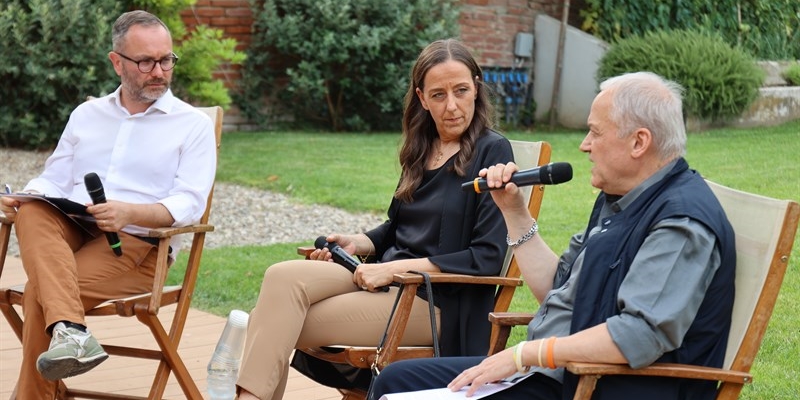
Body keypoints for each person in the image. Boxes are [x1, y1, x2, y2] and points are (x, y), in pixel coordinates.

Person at [369, 71, 736, 400]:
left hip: (598, 386)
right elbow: (557, 289)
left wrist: (525, 355)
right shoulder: (622, 199)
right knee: (395, 380)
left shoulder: (681, 222)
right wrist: (513, 210)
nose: (584, 145)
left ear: (639, 142)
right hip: (555, 375)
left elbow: (638, 335)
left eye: (595, 131)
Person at [236, 38, 514, 400]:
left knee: (274, 320)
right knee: (280, 277)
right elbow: (398, 227)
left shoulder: (493, 151)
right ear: (421, 97)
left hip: (438, 302)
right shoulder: (421, 147)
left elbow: (487, 256)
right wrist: (357, 243)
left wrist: (394, 270)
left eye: (461, 90)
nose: (452, 106)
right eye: (438, 95)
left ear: (476, 87)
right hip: (386, 278)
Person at [0, 10, 217, 400]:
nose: (159, 71)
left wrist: (130, 212)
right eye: (146, 61)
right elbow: (54, 177)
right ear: (117, 62)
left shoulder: (191, 124)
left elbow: (190, 203)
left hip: (136, 247)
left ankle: (61, 345)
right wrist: (24, 195)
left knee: (39, 293)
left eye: (166, 59)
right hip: (76, 231)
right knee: (32, 210)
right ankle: (72, 334)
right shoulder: (87, 114)